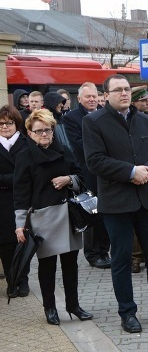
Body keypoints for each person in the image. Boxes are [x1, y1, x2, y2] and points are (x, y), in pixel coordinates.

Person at [83, 74, 148, 333]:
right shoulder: (93, 121)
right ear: (106, 95)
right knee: (121, 259)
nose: (124, 94)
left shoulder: (143, 120)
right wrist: (131, 172)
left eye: (127, 89)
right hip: (117, 202)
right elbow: (95, 160)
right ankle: (127, 313)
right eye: (117, 90)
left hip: (147, 199)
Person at [14, 109, 93, 325]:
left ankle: (73, 305)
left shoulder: (64, 150)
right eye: (38, 131)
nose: (44, 134)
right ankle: (50, 308)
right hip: (42, 218)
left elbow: (81, 176)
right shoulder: (25, 156)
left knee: (71, 264)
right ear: (29, 133)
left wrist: (68, 179)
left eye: (48, 130)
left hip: (67, 215)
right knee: (47, 266)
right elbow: (20, 193)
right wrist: (20, 225)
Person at [62, 82, 112, 269]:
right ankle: (93, 254)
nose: (92, 100)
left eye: (94, 96)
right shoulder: (72, 118)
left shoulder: (105, 113)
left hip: (107, 170)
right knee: (92, 212)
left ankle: (105, 251)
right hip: (88, 171)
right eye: (88, 97)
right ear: (80, 98)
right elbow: (79, 144)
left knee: (106, 212)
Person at [0, 105, 28, 295]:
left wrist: (7, 178)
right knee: (5, 243)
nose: (5, 127)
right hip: (2, 201)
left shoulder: (27, 143)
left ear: (17, 124)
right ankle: (11, 280)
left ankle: (23, 279)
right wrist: (16, 177)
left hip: (23, 199)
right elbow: (21, 175)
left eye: (9, 123)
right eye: (1, 123)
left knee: (23, 240)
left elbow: (31, 173)